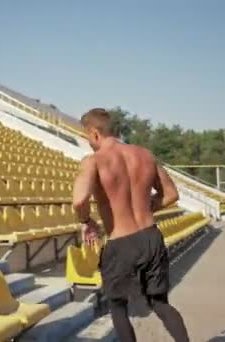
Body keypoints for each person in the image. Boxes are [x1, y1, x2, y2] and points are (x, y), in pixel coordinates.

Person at [72, 108, 190, 342]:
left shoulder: (93, 161)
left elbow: (79, 200)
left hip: (121, 242)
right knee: (160, 303)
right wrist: (146, 208)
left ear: (94, 133)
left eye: (86, 136)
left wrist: (86, 221)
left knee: (117, 306)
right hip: (150, 237)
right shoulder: (145, 155)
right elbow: (171, 194)